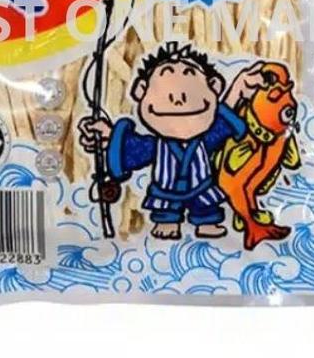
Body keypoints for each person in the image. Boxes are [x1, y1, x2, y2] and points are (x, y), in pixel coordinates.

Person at [78, 42, 267, 240]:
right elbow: (138, 148)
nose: (179, 99)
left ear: (214, 86)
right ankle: (167, 222)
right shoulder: (159, 146)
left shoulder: (202, 140)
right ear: (141, 90)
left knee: (206, 206)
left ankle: (206, 221)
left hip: (201, 188)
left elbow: (220, 125)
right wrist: (111, 136)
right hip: (166, 192)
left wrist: (238, 88)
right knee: (166, 209)